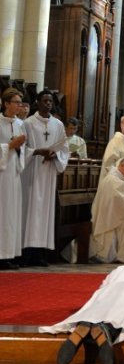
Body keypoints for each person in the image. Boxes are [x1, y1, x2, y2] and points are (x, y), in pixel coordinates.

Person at [21, 89, 69, 266]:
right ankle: (26, 253)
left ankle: (40, 254)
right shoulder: (28, 123)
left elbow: (64, 148)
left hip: (48, 172)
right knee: (30, 210)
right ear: (37, 102)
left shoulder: (58, 125)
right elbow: (21, 149)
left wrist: (56, 155)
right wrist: (36, 151)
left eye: (50, 101)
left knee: (44, 213)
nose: (48, 104)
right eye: (45, 101)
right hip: (32, 172)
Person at [90, 156, 124, 264]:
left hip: (112, 215)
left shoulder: (116, 179)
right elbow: (123, 203)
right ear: (122, 165)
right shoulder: (113, 180)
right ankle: (108, 254)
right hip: (109, 218)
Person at [0, 87, 26, 270]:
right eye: (16, 102)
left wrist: (19, 148)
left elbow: (22, 149)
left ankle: (8, 254)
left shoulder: (19, 124)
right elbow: (9, 145)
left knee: (11, 214)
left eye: (20, 102)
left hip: (13, 173)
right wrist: (9, 146)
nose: (19, 106)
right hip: (1, 173)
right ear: (6, 103)